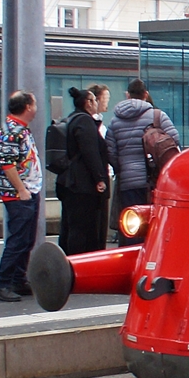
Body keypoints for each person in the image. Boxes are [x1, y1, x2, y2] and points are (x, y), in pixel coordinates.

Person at [107, 79, 180, 245]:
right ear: (145, 94)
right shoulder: (157, 116)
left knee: (131, 226)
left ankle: (131, 257)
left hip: (127, 183)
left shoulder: (115, 121)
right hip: (153, 181)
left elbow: (110, 152)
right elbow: (174, 140)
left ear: (127, 95)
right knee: (153, 224)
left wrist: (122, 169)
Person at [0, 90, 42, 302]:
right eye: (34, 103)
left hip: (29, 190)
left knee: (26, 239)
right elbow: (7, 164)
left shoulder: (20, 129)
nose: (36, 108)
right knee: (18, 240)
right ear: (28, 107)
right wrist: (21, 189)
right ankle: (3, 283)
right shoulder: (12, 131)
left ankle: (18, 279)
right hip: (19, 194)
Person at [56, 88, 111, 255]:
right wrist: (99, 178)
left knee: (70, 226)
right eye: (94, 100)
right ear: (88, 103)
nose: (97, 103)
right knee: (83, 229)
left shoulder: (71, 119)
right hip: (82, 185)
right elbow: (90, 152)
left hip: (69, 182)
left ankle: (67, 262)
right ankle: (79, 263)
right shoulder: (85, 121)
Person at [88, 84, 113, 246]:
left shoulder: (100, 123)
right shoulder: (92, 125)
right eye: (105, 98)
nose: (107, 102)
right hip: (100, 177)